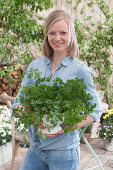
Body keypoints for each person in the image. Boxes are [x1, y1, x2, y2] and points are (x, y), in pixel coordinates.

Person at [12, 10, 102, 170]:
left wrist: (67, 127)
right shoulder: (36, 66)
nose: (57, 38)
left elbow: (95, 111)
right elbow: (18, 104)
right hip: (35, 149)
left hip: (64, 153)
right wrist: (34, 119)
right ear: (47, 35)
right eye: (52, 32)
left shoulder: (80, 70)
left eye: (63, 32)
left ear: (71, 35)